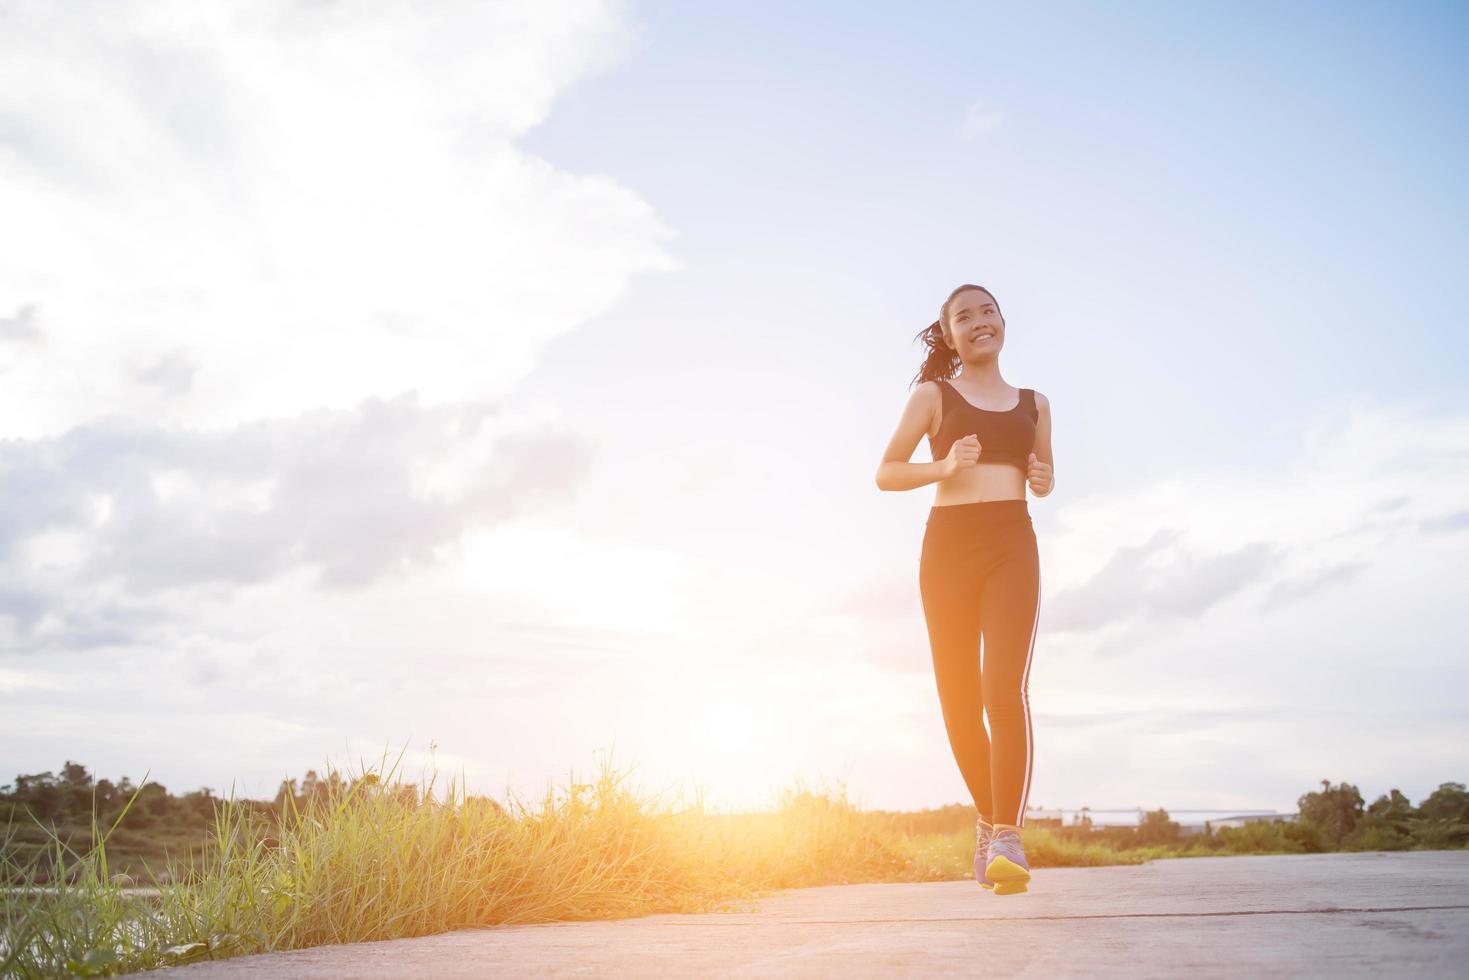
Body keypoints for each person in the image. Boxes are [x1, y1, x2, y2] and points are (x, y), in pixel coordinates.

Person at [874, 283, 1054, 896]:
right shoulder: (933, 396)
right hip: (948, 547)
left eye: (988, 311)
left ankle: (1007, 834)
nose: (979, 321)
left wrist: (1043, 476)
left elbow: (1044, 479)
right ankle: (988, 819)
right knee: (957, 698)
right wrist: (945, 467)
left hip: (1012, 544)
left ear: (1004, 322)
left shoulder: (1036, 403)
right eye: (963, 316)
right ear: (948, 336)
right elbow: (887, 471)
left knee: (1002, 689)